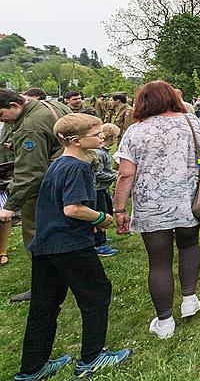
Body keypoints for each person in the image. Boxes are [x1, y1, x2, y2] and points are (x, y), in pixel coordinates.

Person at [15, 113, 132, 380]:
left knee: (44, 306)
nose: (102, 138)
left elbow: (55, 205)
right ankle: (91, 358)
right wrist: (101, 217)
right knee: (96, 294)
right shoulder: (78, 167)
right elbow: (73, 208)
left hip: (45, 245)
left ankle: (32, 368)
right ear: (76, 140)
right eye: (97, 134)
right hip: (69, 245)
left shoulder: (57, 164)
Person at [112, 81, 200, 338]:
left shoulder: (135, 131)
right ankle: (190, 299)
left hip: (151, 204)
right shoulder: (193, 123)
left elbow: (126, 175)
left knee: (158, 262)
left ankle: (165, 321)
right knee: (189, 246)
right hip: (189, 201)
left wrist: (119, 209)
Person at [0, 88, 71, 303]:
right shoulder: (50, 105)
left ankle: (44, 287)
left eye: (1, 115)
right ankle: (64, 279)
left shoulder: (29, 126)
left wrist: (10, 205)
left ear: (14, 105)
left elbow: (30, 173)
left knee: (35, 236)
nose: (3, 122)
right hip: (66, 178)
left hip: (42, 187)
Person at [92, 123, 120, 257]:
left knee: (107, 210)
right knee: (100, 215)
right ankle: (99, 243)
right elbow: (98, 174)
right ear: (113, 137)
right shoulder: (99, 153)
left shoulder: (104, 152)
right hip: (97, 189)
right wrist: (115, 176)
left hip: (103, 189)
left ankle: (101, 236)